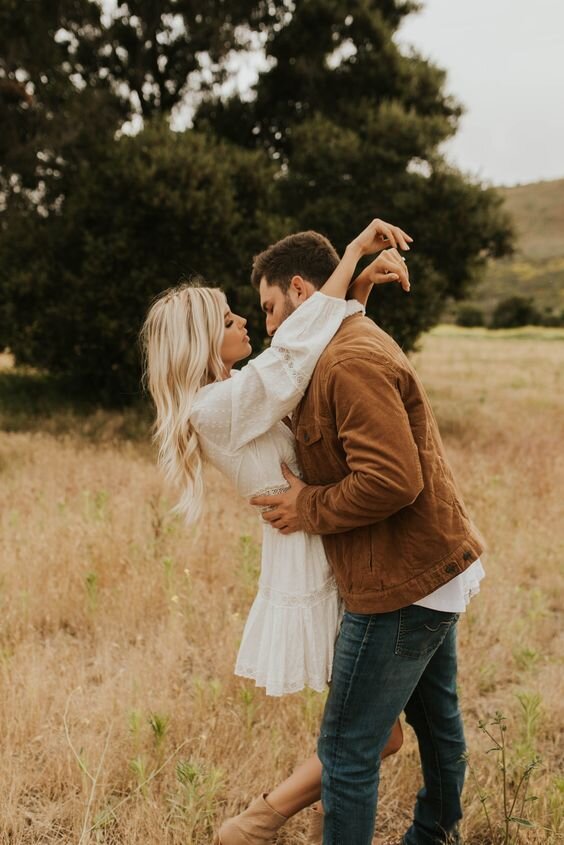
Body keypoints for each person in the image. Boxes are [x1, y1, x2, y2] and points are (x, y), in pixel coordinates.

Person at [140, 219, 412, 845]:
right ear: (202, 341)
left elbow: (311, 362)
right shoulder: (216, 408)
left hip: (326, 535)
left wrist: (357, 289)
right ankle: (257, 821)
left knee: (374, 731)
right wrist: (351, 255)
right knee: (377, 734)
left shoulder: (233, 392)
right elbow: (294, 357)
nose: (244, 321)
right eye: (229, 318)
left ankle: (303, 819)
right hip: (317, 555)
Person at [250, 232, 486, 845]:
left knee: (346, 749)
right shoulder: (340, 342)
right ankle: (435, 835)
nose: (268, 327)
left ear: (299, 290)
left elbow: (392, 480)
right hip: (426, 567)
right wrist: (357, 283)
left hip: (400, 580)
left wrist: (307, 506)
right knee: (435, 721)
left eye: (270, 308)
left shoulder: (346, 361)